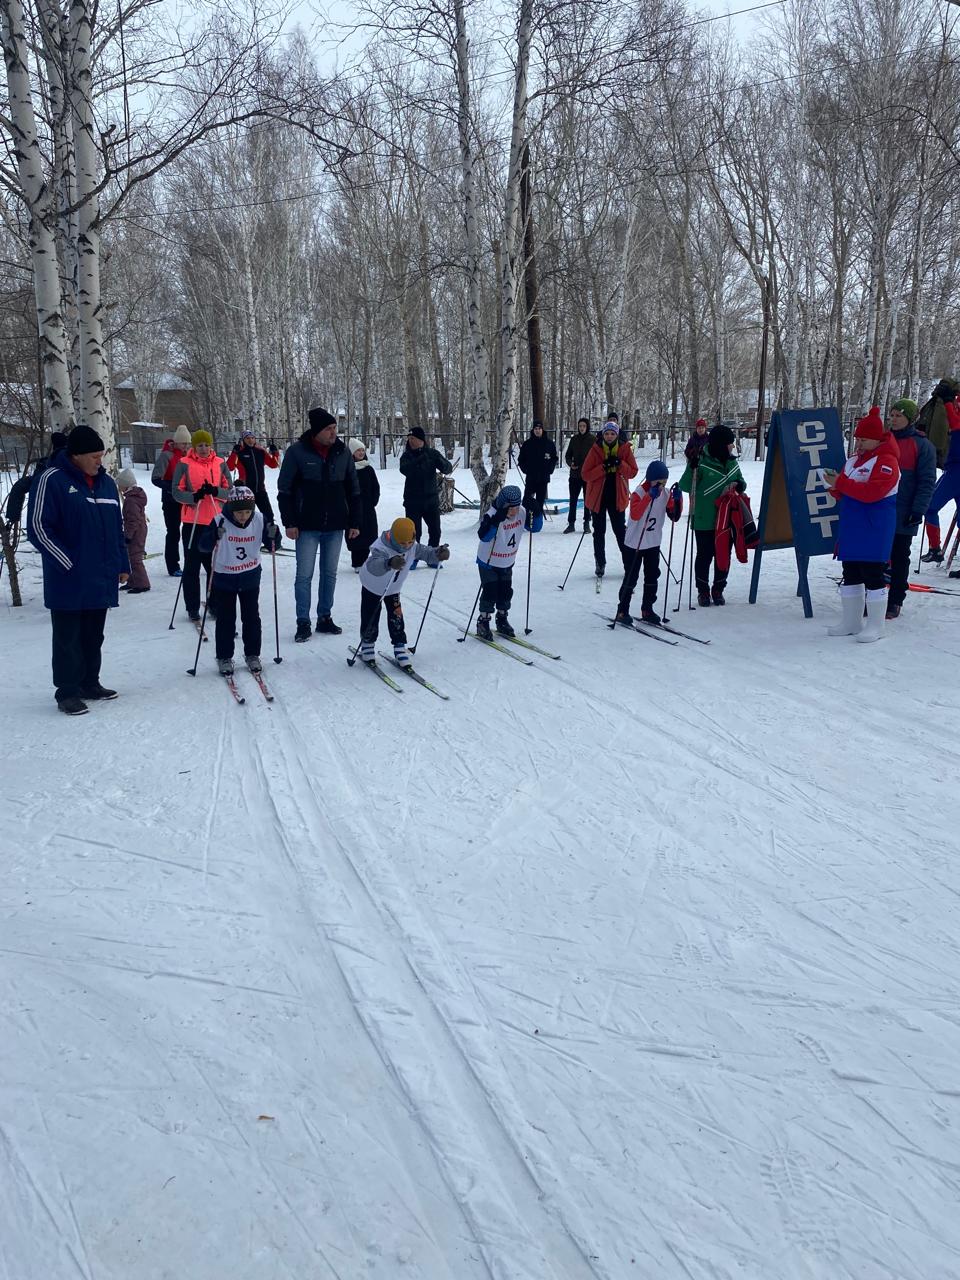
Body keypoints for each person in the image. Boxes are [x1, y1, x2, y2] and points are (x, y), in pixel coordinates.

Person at [26, 424, 129, 715]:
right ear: (77, 455)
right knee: (68, 638)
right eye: (95, 456)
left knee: (94, 635)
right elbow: (37, 526)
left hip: (101, 576)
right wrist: (66, 562)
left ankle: (89, 683)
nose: (100, 461)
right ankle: (67, 692)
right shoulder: (52, 479)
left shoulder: (107, 483)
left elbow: (116, 528)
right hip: (68, 579)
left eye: (102, 455)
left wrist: (122, 564)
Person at [277, 407, 360, 642]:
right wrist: (290, 522)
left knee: (329, 573)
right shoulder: (297, 452)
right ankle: (303, 621)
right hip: (306, 525)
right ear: (316, 431)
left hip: (335, 524)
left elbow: (353, 490)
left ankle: (325, 616)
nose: (334, 433)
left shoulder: (342, 453)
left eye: (335, 428)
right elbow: (285, 491)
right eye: (329, 429)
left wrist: (354, 521)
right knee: (304, 575)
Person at [822, 406, 901, 642]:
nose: (859, 442)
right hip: (852, 525)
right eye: (857, 438)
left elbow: (873, 493)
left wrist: (842, 485)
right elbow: (849, 491)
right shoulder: (854, 461)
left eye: (864, 438)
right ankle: (851, 621)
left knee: (873, 574)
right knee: (851, 572)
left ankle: (876, 626)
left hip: (874, 526)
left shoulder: (887, 461)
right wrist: (835, 487)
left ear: (877, 439)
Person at [201, 485, 277, 675]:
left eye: (246, 511)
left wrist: (273, 535)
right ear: (231, 509)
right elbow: (202, 546)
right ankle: (224, 656)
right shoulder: (219, 520)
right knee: (226, 618)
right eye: (239, 512)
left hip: (250, 576)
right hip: (224, 577)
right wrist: (213, 536)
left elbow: (273, 543)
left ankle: (252, 654)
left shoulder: (259, 519)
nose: (243, 516)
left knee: (251, 617)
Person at [357, 517, 449, 666]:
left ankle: (399, 646)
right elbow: (375, 565)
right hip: (372, 586)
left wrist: (438, 553)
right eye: (402, 543)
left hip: (392, 589)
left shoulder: (413, 546)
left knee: (396, 617)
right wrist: (389, 562)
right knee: (370, 615)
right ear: (393, 537)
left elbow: (426, 553)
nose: (406, 546)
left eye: (409, 542)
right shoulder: (381, 546)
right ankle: (367, 644)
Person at [678, 423, 746, 606]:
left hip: (727, 518)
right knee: (705, 555)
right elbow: (685, 486)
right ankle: (703, 591)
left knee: (723, 555)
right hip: (704, 518)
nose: (732, 446)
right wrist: (691, 468)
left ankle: (718, 589)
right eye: (730, 443)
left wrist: (739, 486)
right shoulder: (700, 460)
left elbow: (741, 481)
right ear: (720, 444)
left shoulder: (732, 461)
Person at [171, 429, 231, 622]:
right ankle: (192, 606)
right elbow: (176, 491)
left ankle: (214, 603)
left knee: (214, 566)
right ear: (193, 447)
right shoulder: (184, 463)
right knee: (192, 566)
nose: (204, 449)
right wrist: (193, 496)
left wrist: (216, 491)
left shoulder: (220, 463)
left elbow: (229, 490)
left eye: (206, 445)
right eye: (200, 445)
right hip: (193, 521)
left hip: (215, 520)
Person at [616, 461, 683, 625]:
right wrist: (649, 497)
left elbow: (674, 516)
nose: (662, 485)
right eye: (659, 481)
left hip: (653, 543)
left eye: (665, 481)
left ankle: (647, 608)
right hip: (634, 544)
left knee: (652, 576)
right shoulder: (639, 493)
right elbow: (635, 515)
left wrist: (678, 500)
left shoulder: (665, 494)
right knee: (631, 578)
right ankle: (622, 610)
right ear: (651, 480)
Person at [886, 399, 935, 618]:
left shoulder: (922, 445)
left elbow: (926, 481)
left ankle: (895, 600)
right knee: (876, 556)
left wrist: (918, 510)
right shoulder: (883, 440)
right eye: (892, 415)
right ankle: (873, 597)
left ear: (910, 419)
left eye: (899, 416)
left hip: (904, 511)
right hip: (880, 509)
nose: (894, 420)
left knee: (899, 556)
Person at [475, 484, 542, 639]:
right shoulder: (492, 514)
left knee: (505, 592)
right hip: (488, 562)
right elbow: (484, 536)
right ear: (503, 506)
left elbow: (535, 528)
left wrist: (537, 512)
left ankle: (502, 619)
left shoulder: (521, 513)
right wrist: (496, 521)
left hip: (507, 561)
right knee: (490, 591)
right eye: (511, 508)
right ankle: (483, 621)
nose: (515, 511)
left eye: (517, 507)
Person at [581, 417, 638, 579]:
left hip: (617, 497)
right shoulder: (596, 449)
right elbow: (585, 474)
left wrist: (620, 463)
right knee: (598, 532)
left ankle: (628, 563)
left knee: (620, 531)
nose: (610, 436)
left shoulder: (625, 449)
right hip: (598, 498)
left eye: (613, 434)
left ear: (617, 435)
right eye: (607, 434)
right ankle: (600, 563)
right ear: (603, 435)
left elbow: (633, 472)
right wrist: (603, 467)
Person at [919, 382, 960, 564]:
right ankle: (935, 549)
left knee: (930, 505)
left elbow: (956, 424)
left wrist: (949, 401)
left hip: (956, 469)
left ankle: (935, 548)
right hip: (954, 467)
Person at [399, 427, 452, 554]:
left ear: (421, 440)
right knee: (414, 532)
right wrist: (419, 459)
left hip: (431, 500)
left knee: (435, 530)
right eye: (409, 439)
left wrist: (439, 461)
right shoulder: (407, 456)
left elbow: (447, 468)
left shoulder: (432, 454)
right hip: (413, 501)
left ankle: (432, 554)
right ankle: (413, 556)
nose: (411, 441)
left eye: (413, 438)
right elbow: (405, 470)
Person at [226, 430, 282, 549]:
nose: (250, 440)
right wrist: (234, 453)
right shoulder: (240, 452)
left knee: (268, 516)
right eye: (247, 438)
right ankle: (242, 540)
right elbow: (230, 467)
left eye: (252, 438)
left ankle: (272, 542)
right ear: (243, 440)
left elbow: (273, 464)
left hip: (260, 490)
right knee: (245, 518)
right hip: (245, 491)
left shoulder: (260, 451)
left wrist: (275, 452)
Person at [3, 431, 68, 529]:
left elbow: (19, 486)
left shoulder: (45, 466)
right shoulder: (49, 471)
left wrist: (13, 517)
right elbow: (20, 486)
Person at [151, 424, 192, 576]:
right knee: (174, 532)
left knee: (189, 532)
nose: (186, 446)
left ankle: (191, 561)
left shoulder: (188, 456)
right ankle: (173, 565)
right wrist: (172, 487)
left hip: (187, 500)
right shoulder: (166, 455)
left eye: (188, 443)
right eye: (183, 443)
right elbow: (156, 478)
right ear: (175, 442)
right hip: (171, 500)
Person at [346, 438, 380, 570]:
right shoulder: (348, 469)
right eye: (358, 450)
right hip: (352, 508)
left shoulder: (368, 469)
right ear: (352, 453)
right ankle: (357, 562)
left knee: (369, 534)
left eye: (362, 450)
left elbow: (375, 487)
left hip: (367, 507)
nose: (361, 453)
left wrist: (373, 501)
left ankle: (366, 560)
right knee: (355, 534)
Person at [116, 469, 150, 594]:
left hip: (136, 531)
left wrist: (128, 536)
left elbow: (132, 520)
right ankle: (132, 581)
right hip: (139, 529)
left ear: (125, 485)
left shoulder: (130, 501)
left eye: (119, 485)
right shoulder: (134, 497)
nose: (118, 488)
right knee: (130, 556)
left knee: (135, 557)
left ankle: (142, 583)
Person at [516, 420, 557, 519]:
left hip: (543, 478)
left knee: (540, 501)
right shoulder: (527, 444)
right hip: (531, 477)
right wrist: (526, 470)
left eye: (539, 429)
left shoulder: (549, 443)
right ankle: (526, 519)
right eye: (536, 429)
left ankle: (537, 520)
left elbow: (554, 458)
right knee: (527, 500)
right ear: (533, 430)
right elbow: (521, 460)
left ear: (542, 430)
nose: (537, 431)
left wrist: (550, 469)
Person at [564, 417, 594, 533]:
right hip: (575, 475)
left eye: (584, 426)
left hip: (587, 476)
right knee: (573, 500)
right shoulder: (574, 439)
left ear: (587, 427)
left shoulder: (592, 440)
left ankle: (586, 523)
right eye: (580, 426)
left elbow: (596, 457)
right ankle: (571, 523)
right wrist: (571, 463)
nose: (582, 428)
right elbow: (567, 455)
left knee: (587, 501)